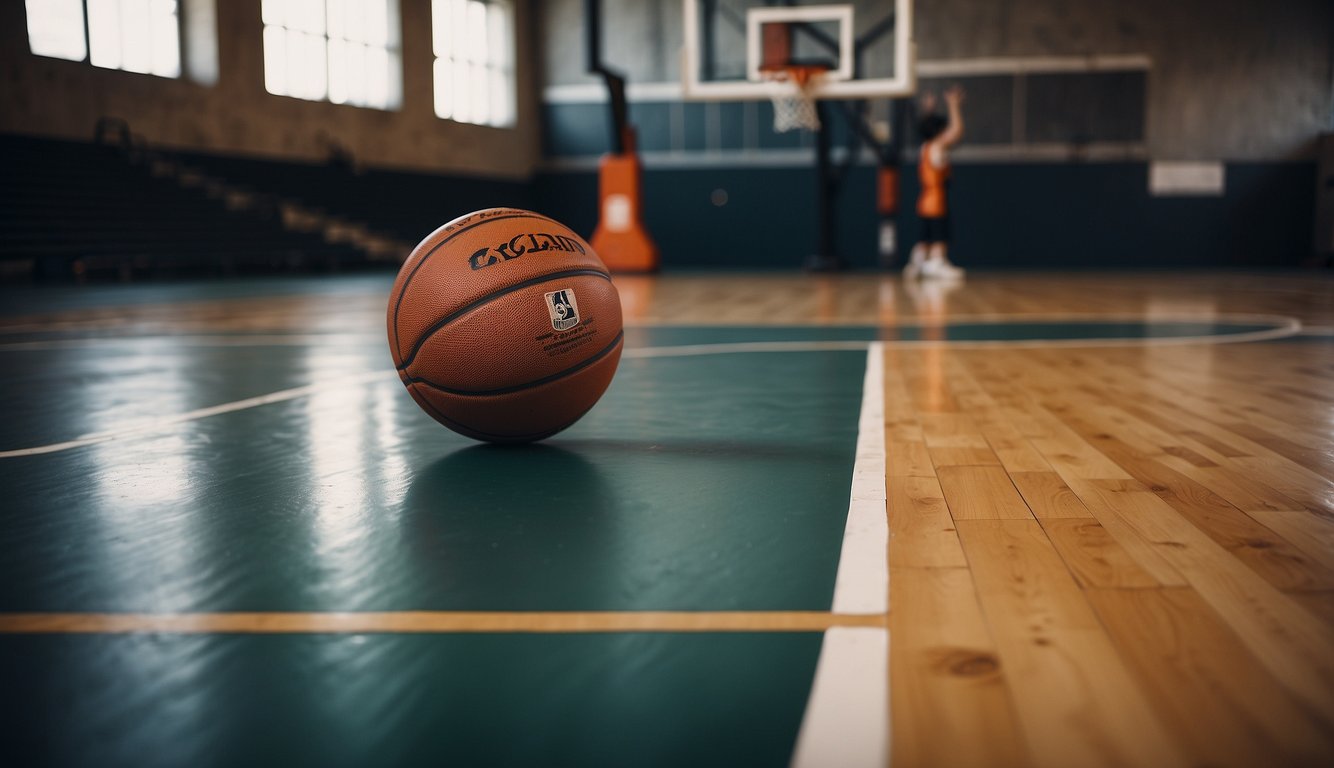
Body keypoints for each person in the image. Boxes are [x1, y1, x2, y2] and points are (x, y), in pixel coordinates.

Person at [904, 86, 965, 280]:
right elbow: (956, 131)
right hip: (937, 198)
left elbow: (926, 127)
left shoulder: (925, 147)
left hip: (924, 200)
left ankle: (918, 262)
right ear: (939, 132)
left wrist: (929, 110)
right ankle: (937, 263)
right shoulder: (937, 146)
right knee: (939, 233)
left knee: (926, 234)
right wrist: (953, 105)